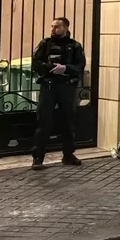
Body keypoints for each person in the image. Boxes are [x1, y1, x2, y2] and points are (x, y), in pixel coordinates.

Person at [31, 17, 86, 170]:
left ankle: (68, 155)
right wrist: (49, 67)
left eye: (56, 27)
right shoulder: (45, 44)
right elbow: (35, 64)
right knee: (44, 122)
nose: (53, 29)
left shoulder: (74, 46)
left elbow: (80, 66)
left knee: (68, 122)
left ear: (65, 28)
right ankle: (38, 158)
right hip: (48, 87)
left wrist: (66, 68)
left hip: (66, 88)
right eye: (52, 26)